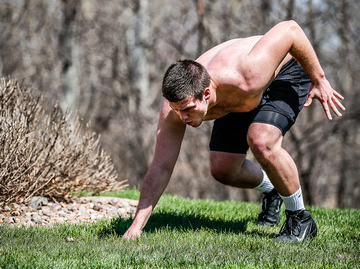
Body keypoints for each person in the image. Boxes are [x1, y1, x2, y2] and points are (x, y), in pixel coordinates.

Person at [123, 20, 345, 242]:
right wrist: (136, 227)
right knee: (223, 169)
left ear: (207, 94)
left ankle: (300, 218)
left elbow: (291, 30)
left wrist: (319, 79)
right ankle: (274, 189)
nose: (183, 117)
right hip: (240, 97)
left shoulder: (247, 73)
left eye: (189, 110)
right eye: (177, 110)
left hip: (285, 73)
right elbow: (160, 166)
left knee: (261, 140)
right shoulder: (176, 107)